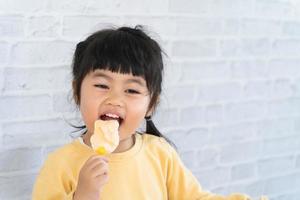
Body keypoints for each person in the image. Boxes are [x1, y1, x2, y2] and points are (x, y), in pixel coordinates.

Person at [32, 25, 267, 200]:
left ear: (151, 104)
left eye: (132, 90)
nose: (115, 99)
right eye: (102, 85)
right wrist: (83, 195)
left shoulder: (160, 154)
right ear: (77, 92)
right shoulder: (60, 164)